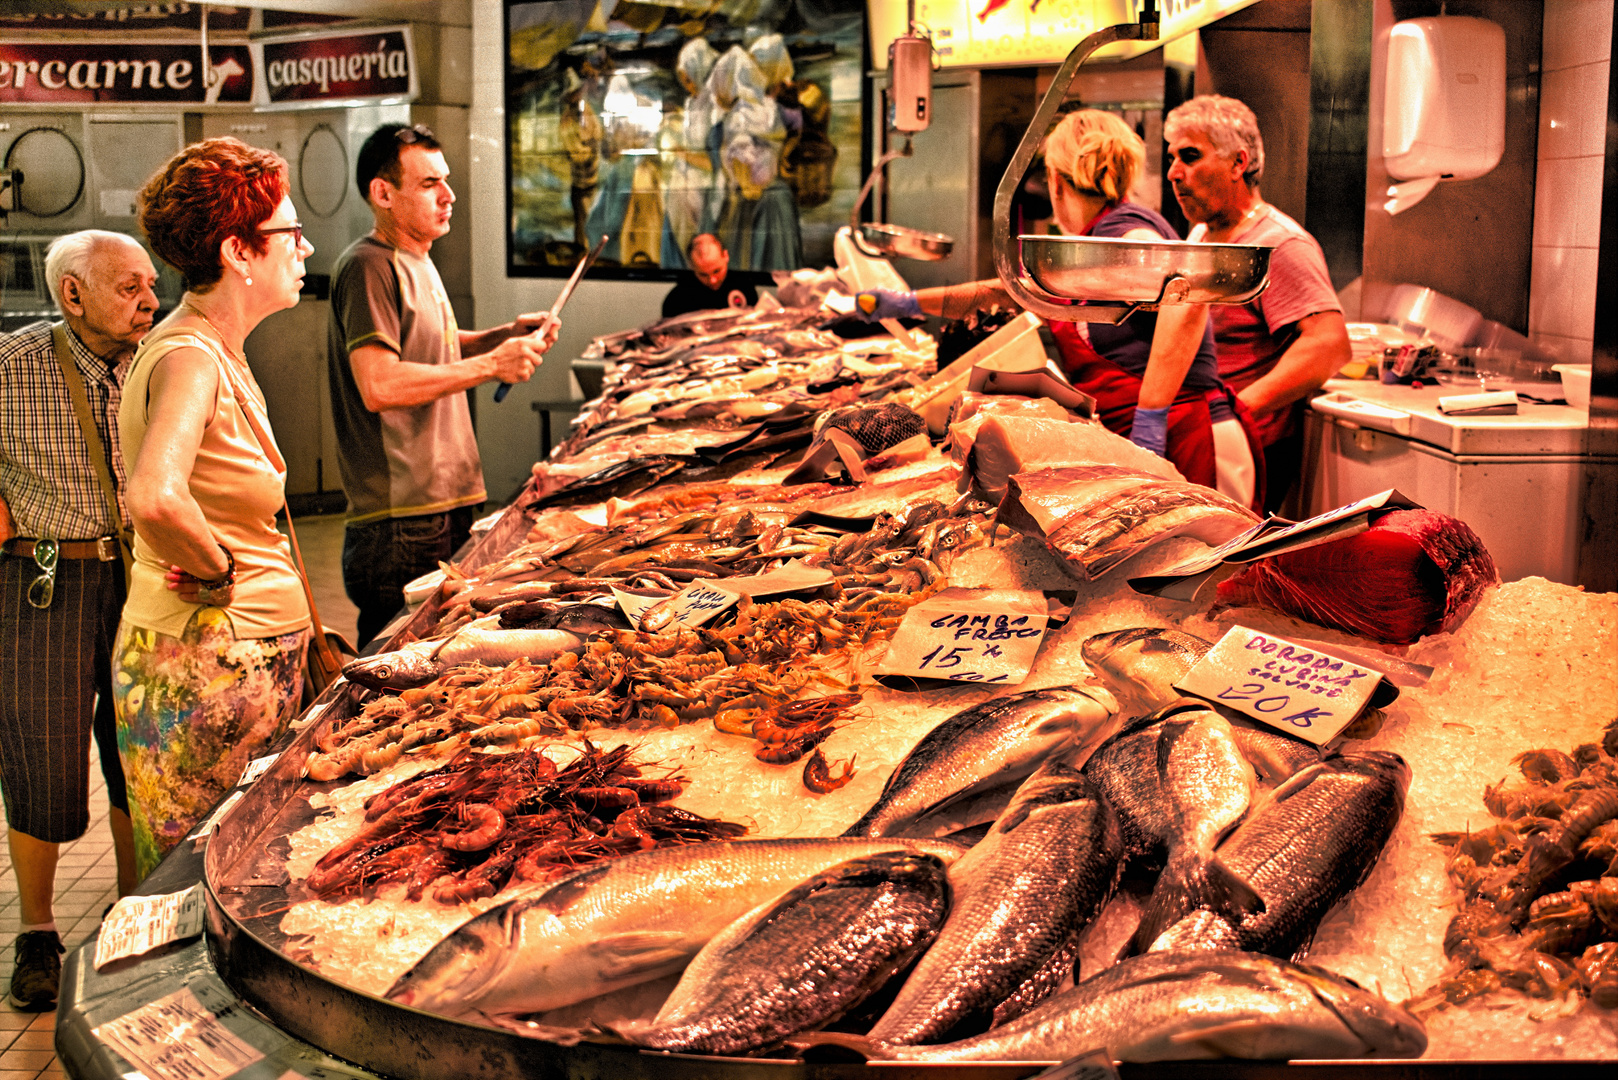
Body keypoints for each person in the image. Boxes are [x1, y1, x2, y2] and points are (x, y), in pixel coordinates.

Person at [854, 110, 1260, 508]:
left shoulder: (1125, 229)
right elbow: (1011, 291)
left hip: (1189, 439)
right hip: (1154, 438)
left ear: (1055, 182)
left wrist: (1150, 420)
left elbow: (1186, 300)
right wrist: (908, 302)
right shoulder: (1090, 245)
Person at [118, 137, 314, 878]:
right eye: (288, 234)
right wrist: (219, 569)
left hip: (235, 664)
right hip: (207, 674)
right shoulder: (191, 357)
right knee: (200, 879)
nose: (302, 248)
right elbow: (154, 496)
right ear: (238, 250)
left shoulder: (214, 348)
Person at [329, 123, 561, 647]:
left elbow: (429, 345)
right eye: (430, 183)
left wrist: (500, 338)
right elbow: (380, 383)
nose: (449, 196)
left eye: (447, 180)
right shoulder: (368, 265)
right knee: (398, 670)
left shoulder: (418, 257)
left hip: (444, 502)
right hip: (402, 519)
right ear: (382, 193)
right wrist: (493, 366)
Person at [0, 230, 150, 1010]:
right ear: (72, 294)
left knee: (138, 747)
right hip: (42, 579)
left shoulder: (162, 361)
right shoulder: (11, 365)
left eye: (151, 285)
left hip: (142, 575)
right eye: (130, 287)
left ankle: (134, 908)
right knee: (40, 759)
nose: (149, 301)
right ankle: (36, 931)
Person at [1164, 94, 1350, 512]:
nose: (1174, 173)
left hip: (1245, 454)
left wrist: (1234, 413)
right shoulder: (1200, 237)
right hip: (1198, 440)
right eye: (1172, 157)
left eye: (1190, 156)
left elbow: (1328, 344)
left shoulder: (1278, 244)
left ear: (1238, 163)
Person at [661, 232, 758, 318]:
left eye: (717, 271)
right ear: (691, 265)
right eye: (703, 274)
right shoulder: (677, 299)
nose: (712, 280)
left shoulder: (744, 285)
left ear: (725, 256)